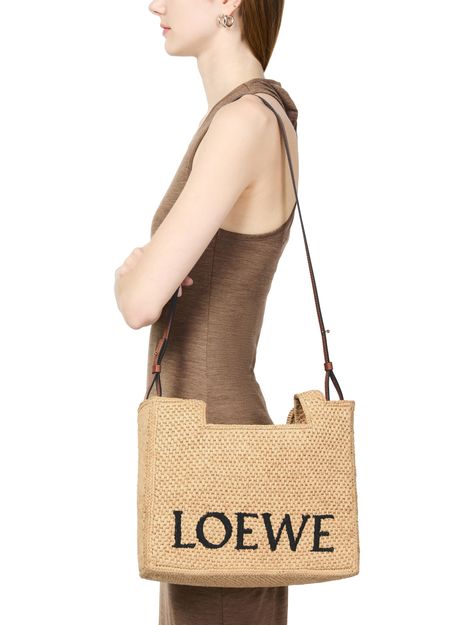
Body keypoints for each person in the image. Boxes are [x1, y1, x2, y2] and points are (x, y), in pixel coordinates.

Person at [114, 0, 299, 623]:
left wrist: (128, 275)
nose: (155, 4)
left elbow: (140, 301)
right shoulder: (249, 115)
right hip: (204, 451)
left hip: (219, 457)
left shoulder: (244, 122)